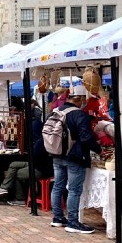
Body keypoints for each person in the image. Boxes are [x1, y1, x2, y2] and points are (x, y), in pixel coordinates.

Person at [50, 85, 102, 234]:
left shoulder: (57, 111)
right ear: (80, 99)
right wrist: (98, 149)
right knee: (74, 190)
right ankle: (72, 222)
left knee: (58, 186)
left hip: (57, 154)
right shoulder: (79, 115)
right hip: (75, 156)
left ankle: (57, 218)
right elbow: (86, 138)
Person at [0, 119, 53, 205]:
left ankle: (20, 198)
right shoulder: (39, 140)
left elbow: (35, 158)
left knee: (17, 173)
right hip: (36, 164)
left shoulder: (40, 142)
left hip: (41, 169)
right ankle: (4, 188)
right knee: (13, 164)